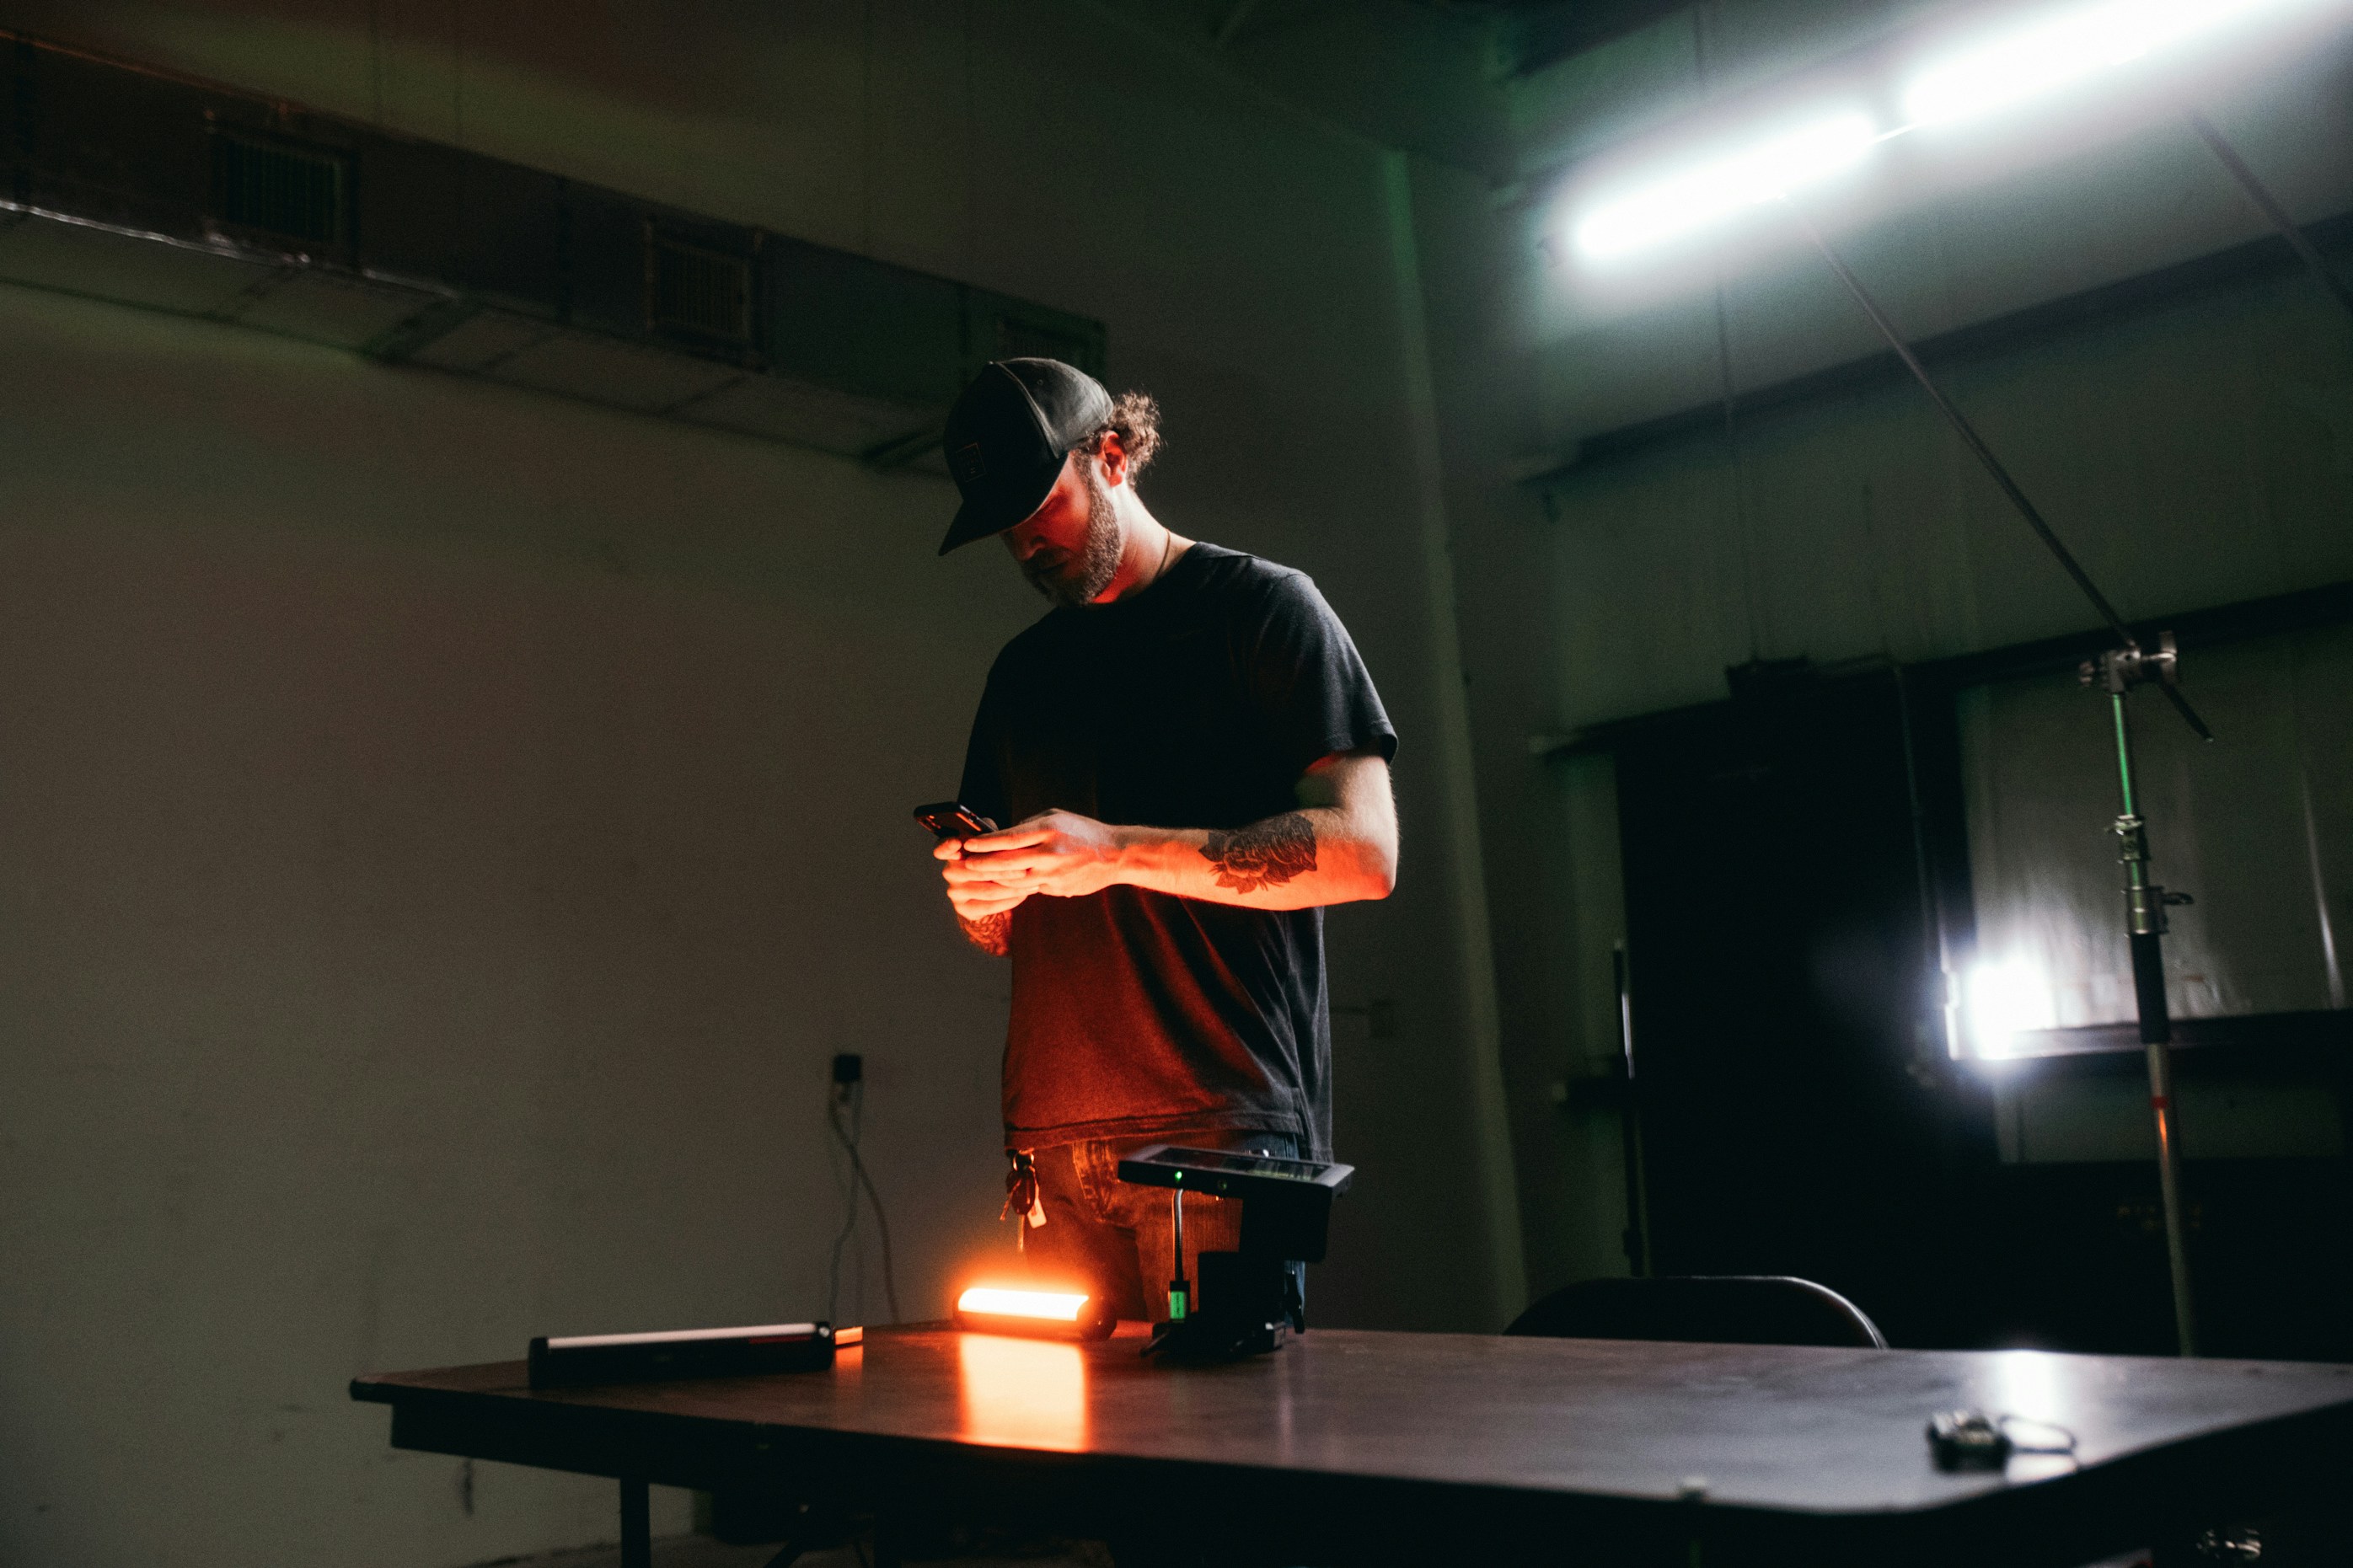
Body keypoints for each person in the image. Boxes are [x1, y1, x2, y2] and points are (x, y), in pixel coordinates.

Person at [931, 357, 1398, 1324]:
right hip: (1051, 1146)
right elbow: (1008, 927)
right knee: (1069, 1469)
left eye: (1040, 506)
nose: (1026, 545)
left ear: (1111, 456)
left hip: (1220, 1136)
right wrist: (984, 898)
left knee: (1218, 1457)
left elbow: (1363, 851)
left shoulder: (1263, 610)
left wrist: (1111, 851)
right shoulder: (1022, 674)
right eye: (1004, 530)